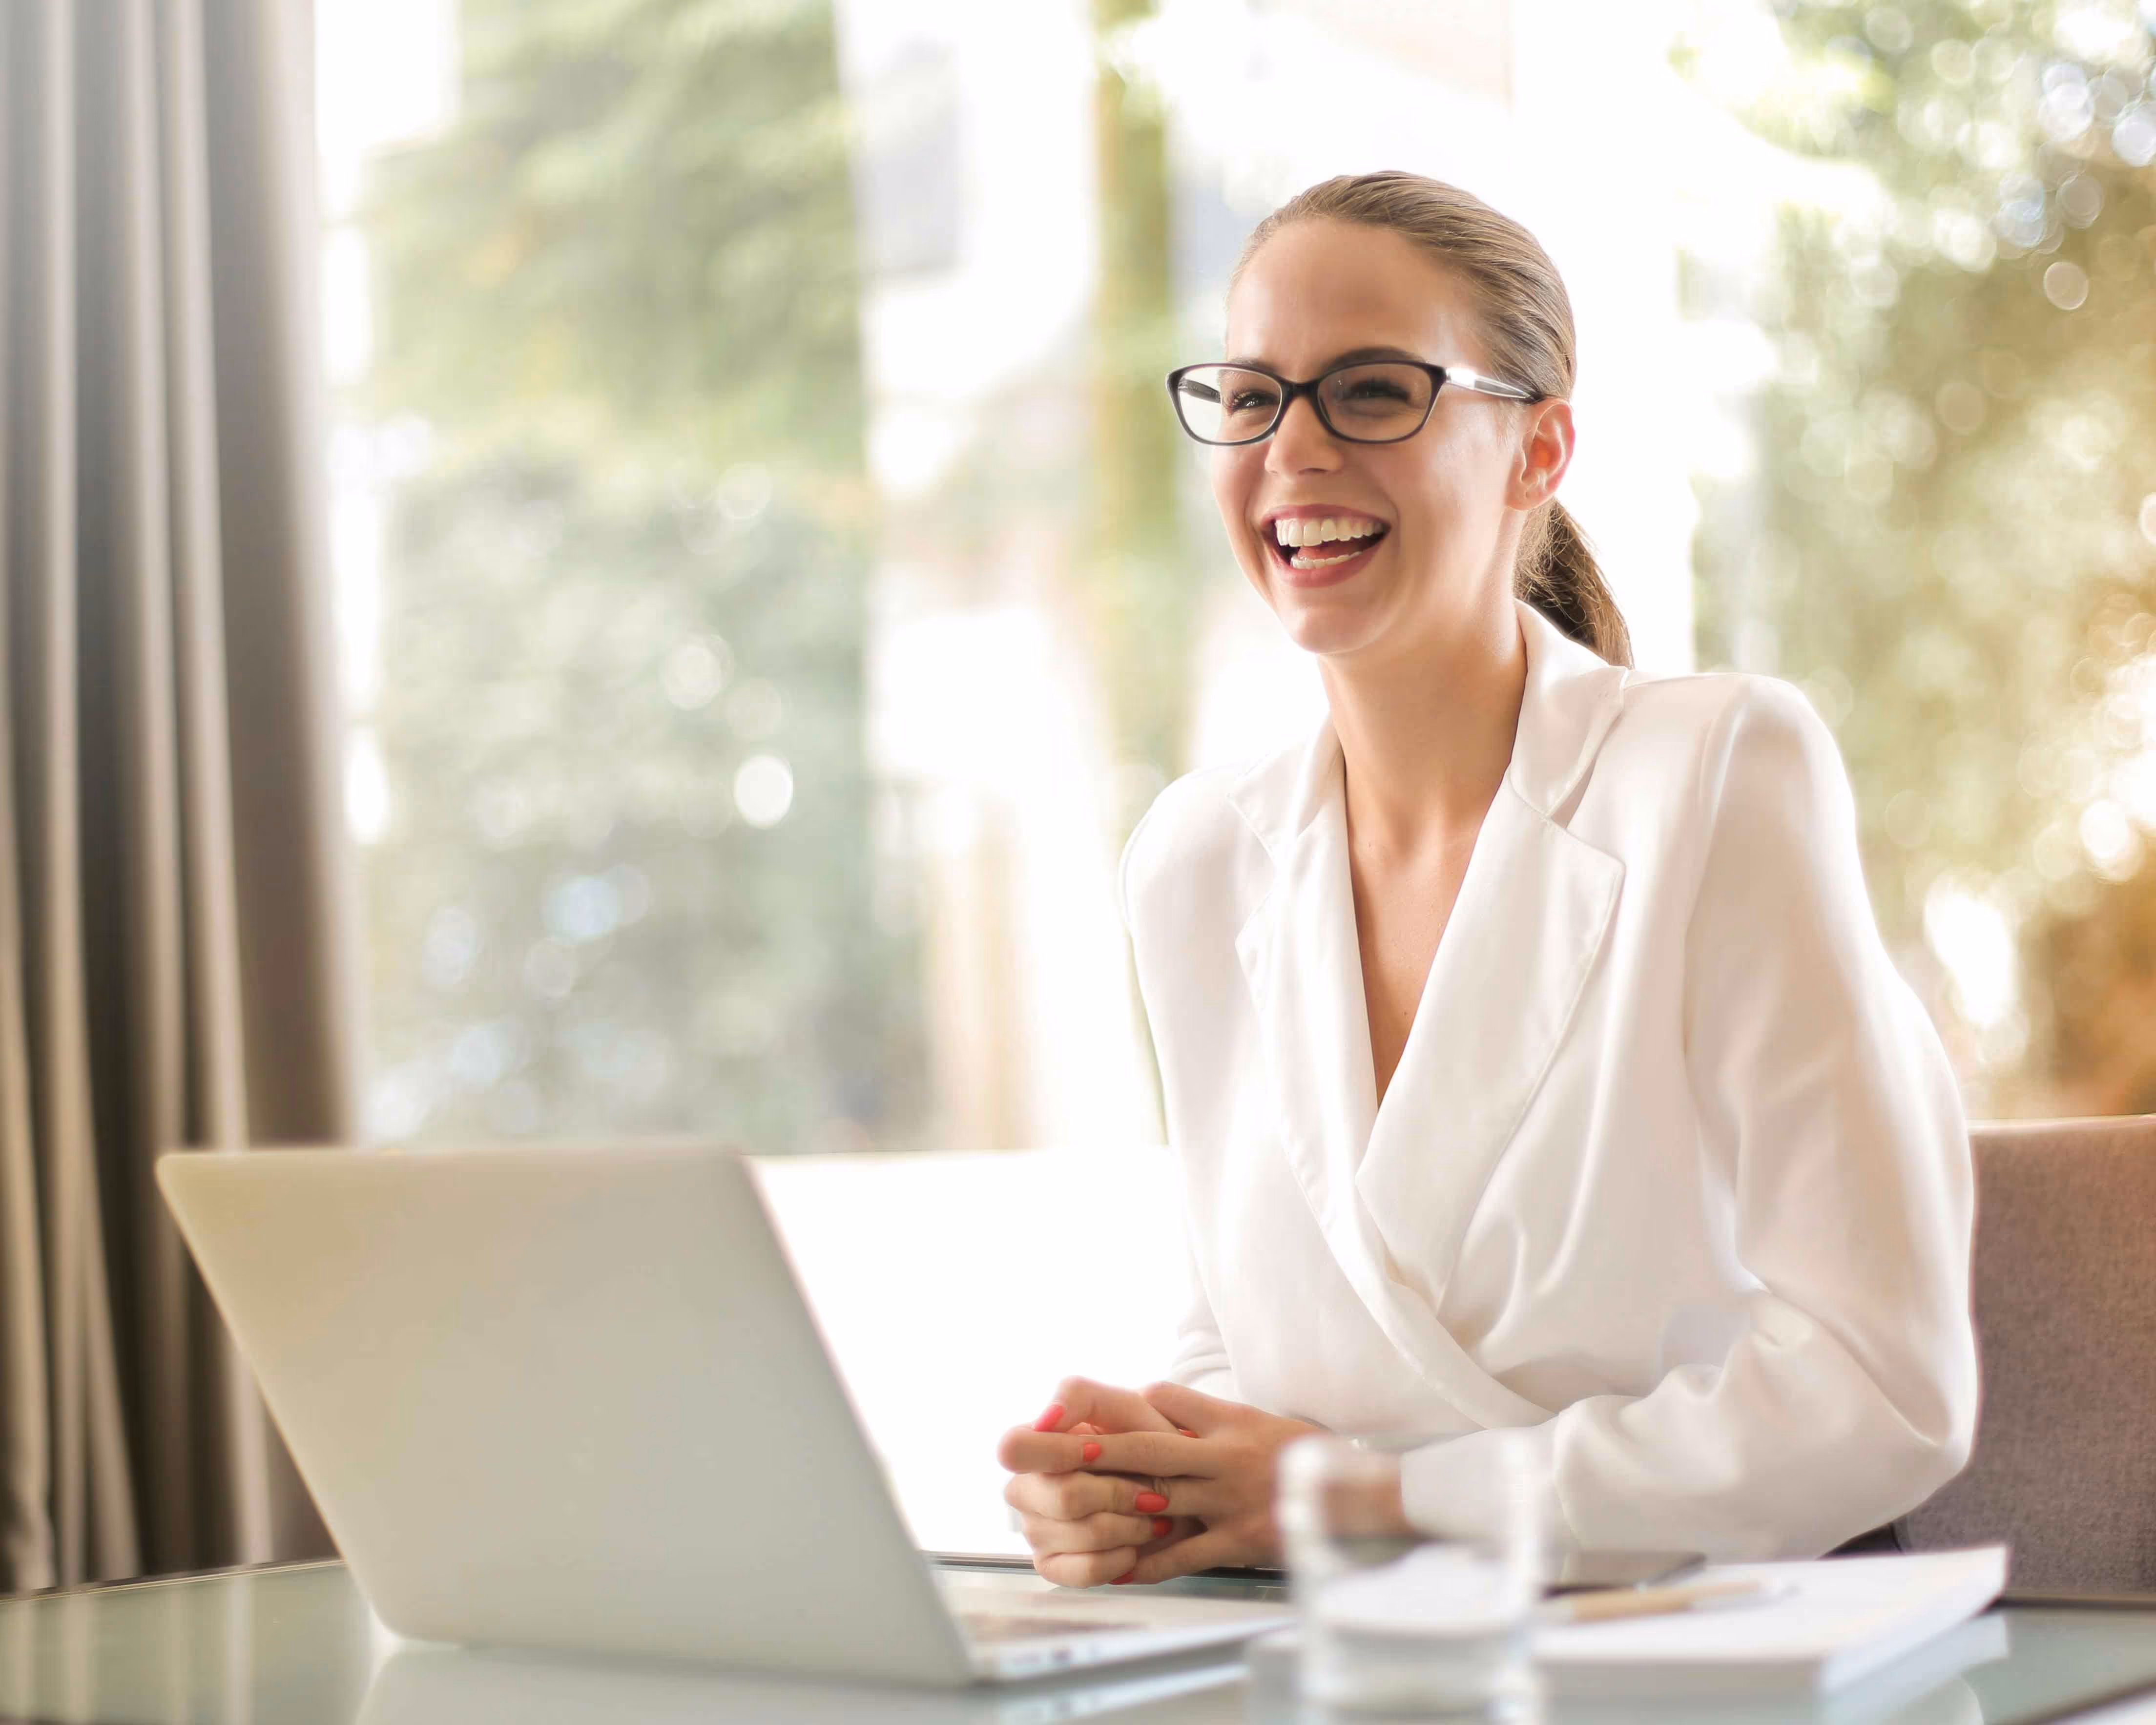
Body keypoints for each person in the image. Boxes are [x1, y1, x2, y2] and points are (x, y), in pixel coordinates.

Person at [995, 171, 1977, 1588]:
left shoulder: (1714, 776)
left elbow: (1885, 1387)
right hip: (1364, 1654)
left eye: (1375, 391)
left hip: (1703, 1642)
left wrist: (1375, 1497)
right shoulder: (1196, 863)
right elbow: (1241, 1330)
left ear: (1540, 446)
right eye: (1253, 394)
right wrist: (1144, 1480)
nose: (1295, 449)